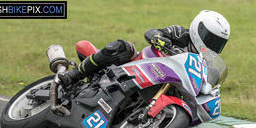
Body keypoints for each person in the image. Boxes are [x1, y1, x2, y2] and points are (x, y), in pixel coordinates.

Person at [58, 10, 230, 86]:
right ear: (199, 30)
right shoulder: (180, 33)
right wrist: (163, 42)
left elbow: (209, 82)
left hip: (167, 83)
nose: (213, 46)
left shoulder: (206, 63)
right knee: (124, 47)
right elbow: (151, 32)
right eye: (211, 40)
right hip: (141, 66)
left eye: (218, 44)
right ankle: (72, 76)